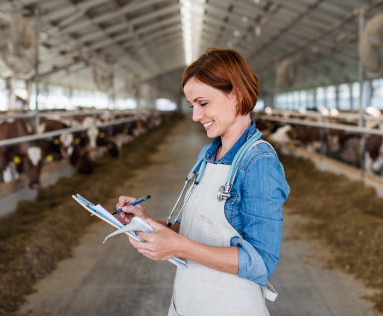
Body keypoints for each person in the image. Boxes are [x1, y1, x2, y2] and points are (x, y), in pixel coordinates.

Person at [115, 48, 289, 316]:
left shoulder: (259, 163)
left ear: (236, 94)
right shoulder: (208, 155)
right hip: (187, 303)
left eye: (203, 103)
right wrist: (148, 223)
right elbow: (205, 231)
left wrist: (179, 246)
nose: (196, 116)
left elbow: (261, 264)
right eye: (192, 105)